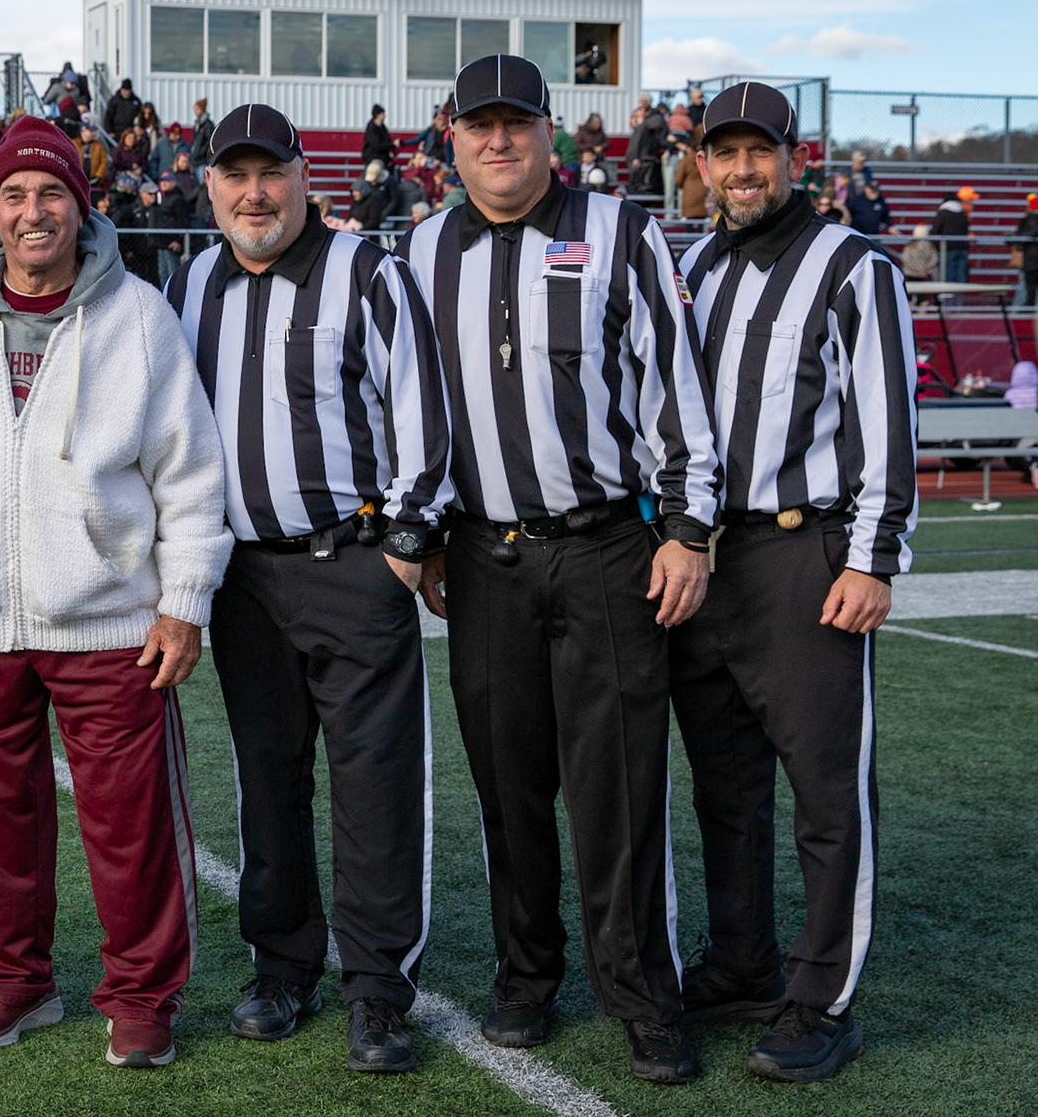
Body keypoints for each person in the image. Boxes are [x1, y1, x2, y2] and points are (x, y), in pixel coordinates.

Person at [405, 56, 721, 1084]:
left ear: (552, 132)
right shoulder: (423, 248)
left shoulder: (622, 230)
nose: (499, 141)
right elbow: (415, 406)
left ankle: (644, 997)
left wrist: (687, 529)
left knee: (618, 785)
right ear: (452, 138)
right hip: (484, 553)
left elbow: (676, 385)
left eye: (517, 123)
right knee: (508, 784)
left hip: (603, 547)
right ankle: (525, 977)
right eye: (480, 125)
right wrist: (424, 529)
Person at [0, 118, 229, 1068]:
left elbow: (190, 468)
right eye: (14, 195)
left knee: (131, 825)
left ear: (81, 206)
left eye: (51, 193)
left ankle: (141, 995)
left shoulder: (138, 314)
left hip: (111, 619)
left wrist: (185, 598)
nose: (33, 212)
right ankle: (9, 980)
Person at [168, 103, 454, 1075]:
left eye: (271, 174)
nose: (254, 194)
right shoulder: (190, 284)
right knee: (268, 780)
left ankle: (377, 986)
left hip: (351, 565)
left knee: (375, 784)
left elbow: (422, 410)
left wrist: (404, 546)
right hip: (245, 577)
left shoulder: (366, 271)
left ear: (303, 177)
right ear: (209, 186)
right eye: (235, 176)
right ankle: (282, 965)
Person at [672, 81, 918, 1083]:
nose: (742, 170)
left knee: (826, 790)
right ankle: (742, 963)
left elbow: (887, 419)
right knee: (725, 786)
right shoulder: (695, 266)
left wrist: (871, 558)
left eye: (759, 152)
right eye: (724, 153)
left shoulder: (854, 265)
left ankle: (823, 998)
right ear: (700, 165)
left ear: (794, 157)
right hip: (706, 557)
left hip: (802, 552)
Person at [929, 188, 976, 285]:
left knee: (947, 275)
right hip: (962, 247)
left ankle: (947, 294)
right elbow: (966, 228)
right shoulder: (962, 212)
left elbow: (935, 230)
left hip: (947, 248)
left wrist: (936, 245)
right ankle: (959, 294)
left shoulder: (943, 213)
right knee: (961, 275)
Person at [1010, 193, 1038, 307]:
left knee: (1025, 287)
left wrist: (1016, 240)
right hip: (1031, 259)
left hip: (1031, 259)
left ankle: (1019, 311)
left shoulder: (1032, 219)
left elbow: (1027, 235)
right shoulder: (1029, 219)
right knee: (1026, 286)